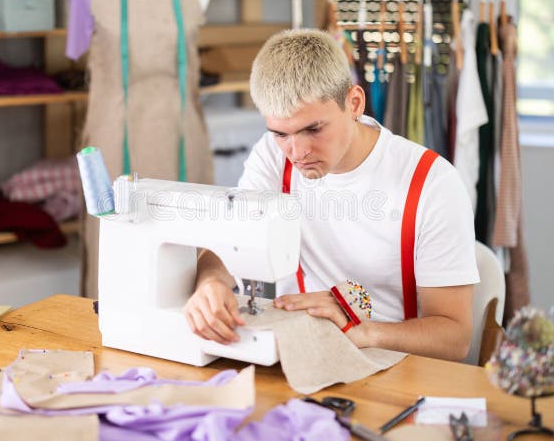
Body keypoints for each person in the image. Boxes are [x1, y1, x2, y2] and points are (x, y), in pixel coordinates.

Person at [183, 29, 480, 362]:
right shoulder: (272, 156)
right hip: (301, 355)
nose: (298, 152)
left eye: (313, 129)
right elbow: (230, 240)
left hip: (392, 364)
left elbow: (454, 338)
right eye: (282, 134)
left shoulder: (432, 184)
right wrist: (211, 283)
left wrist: (362, 331)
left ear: (353, 102)